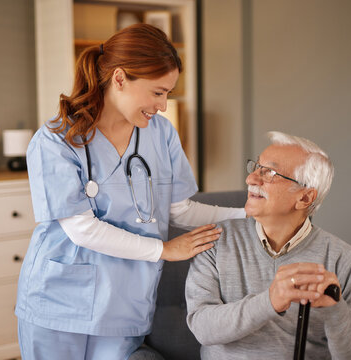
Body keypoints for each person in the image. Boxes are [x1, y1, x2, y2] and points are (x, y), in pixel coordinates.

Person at [15, 24, 245, 360]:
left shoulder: (161, 134)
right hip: (60, 302)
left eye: (168, 94)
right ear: (120, 79)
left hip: (125, 304)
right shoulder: (55, 139)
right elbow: (82, 229)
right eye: (157, 92)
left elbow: (179, 210)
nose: (163, 105)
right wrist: (163, 249)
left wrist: (247, 212)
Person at [185, 131, 351, 359]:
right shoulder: (215, 240)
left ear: (305, 198)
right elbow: (202, 328)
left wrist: (335, 311)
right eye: (256, 167)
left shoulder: (344, 260)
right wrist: (269, 301)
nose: (251, 180)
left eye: (269, 173)